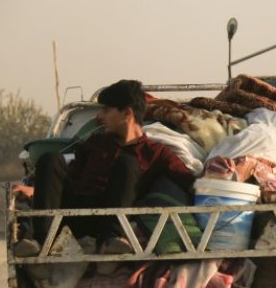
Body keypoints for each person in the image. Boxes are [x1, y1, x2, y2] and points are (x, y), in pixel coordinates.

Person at [13, 79, 195, 256]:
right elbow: (68, 177)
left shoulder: (155, 153)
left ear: (127, 114)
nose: (100, 117)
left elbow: (188, 181)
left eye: (107, 110)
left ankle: (110, 241)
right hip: (73, 215)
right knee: (51, 159)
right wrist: (34, 190)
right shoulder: (95, 142)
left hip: (107, 222)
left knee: (128, 163)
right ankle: (43, 242)